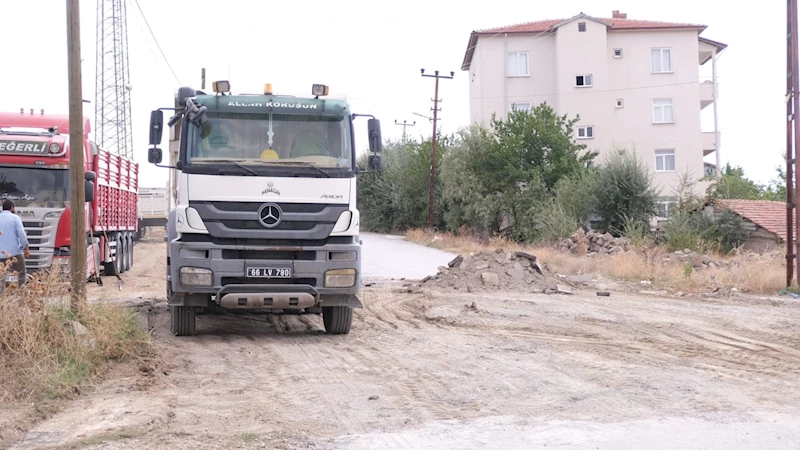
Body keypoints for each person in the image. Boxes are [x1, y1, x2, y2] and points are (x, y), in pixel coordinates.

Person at [0, 199, 29, 287]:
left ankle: (1, 297)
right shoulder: (15, 218)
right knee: (22, 273)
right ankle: (21, 293)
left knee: (1, 277)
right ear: (12, 208)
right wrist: (26, 248)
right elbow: (22, 235)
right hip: (14, 253)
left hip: (0, 254)